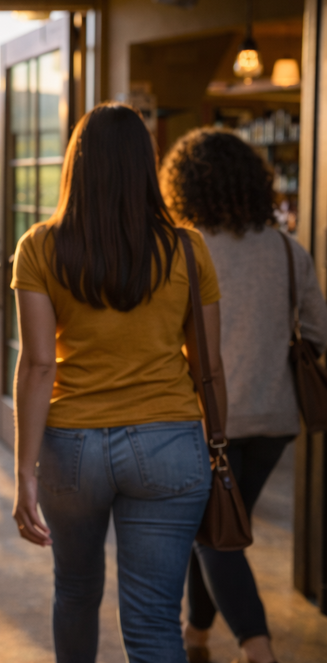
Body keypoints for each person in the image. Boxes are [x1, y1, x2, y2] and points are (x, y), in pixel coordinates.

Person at [11, 103, 227, 663]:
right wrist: (214, 447)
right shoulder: (186, 246)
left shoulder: (39, 246)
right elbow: (209, 362)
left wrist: (23, 474)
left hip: (72, 449)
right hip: (169, 445)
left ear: (76, 165)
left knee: (76, 592)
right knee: (155, 622)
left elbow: (38, 365)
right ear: (145, 165)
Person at [160, 128, 327, 663]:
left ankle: (259, 651)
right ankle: (196, 638)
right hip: (276, 421)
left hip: (207, 420)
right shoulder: (287, 249)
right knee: (217, 524)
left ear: (183, 187)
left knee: (214, 535)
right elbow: (318, 334)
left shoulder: (185, 251)